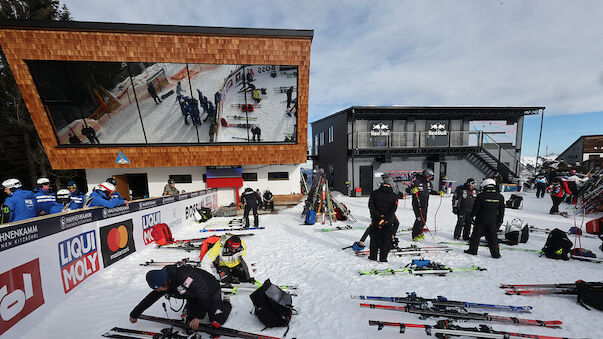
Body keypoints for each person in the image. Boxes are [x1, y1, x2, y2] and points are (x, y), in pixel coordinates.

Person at [129, 264, 231, 330]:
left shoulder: (185, 277)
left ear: (166, 282)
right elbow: (151, 298)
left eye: (158, 289)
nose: (158, 291)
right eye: (157, 290)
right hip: (193, 295)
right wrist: (135, 313)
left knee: (217, 320)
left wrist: (200, 317)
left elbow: (203, 294)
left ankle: (225, 303)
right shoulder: (163, 281)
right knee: (190, 321)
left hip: (210, 289)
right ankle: (191, 308)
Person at [356, 179, 398, 262]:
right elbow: (393, 210)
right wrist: (385, 219)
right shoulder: (394, 196)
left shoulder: (374, 193)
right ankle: (383, 258)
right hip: (388, 221)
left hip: (376, 220)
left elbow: (371, 206)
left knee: (374, 239)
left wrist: (378, 217)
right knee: (386, 239)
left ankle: (373, 256)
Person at [464, 179, 505, 259]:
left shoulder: (481, 195)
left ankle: (473, 250)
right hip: (493, 220)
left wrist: (471, 216)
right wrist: (500, 221)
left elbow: (475, 209)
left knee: (476, 236)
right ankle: (496, 254)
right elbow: (502, 211)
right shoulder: (500, 196)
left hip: (481, 219)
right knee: (493, 237)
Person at [406, 169, 433, 241]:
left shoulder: (429, 183)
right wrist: (412, 190)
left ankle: (420, 233)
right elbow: (408, 189)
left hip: (425, 204)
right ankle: (414, 235)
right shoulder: (416, 181)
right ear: (426, 175)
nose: (430, 178)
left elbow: (431, 191)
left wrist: (438, 192)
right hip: (417, 204)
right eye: (430, 176)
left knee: (424, 220)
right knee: (419, 219)